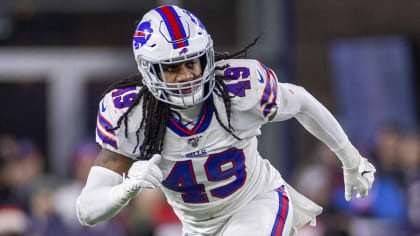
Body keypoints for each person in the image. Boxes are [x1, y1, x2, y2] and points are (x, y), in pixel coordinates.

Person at [76, 5, 376, 236]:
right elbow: (87, 211)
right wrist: (124, 190)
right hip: (198, 227)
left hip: (257, 201)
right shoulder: (132, 116)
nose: (187, 75)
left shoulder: (238, 90)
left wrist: (350, 158)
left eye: (191, 62)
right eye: (172, 68)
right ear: (149, 70)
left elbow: (301, 101)